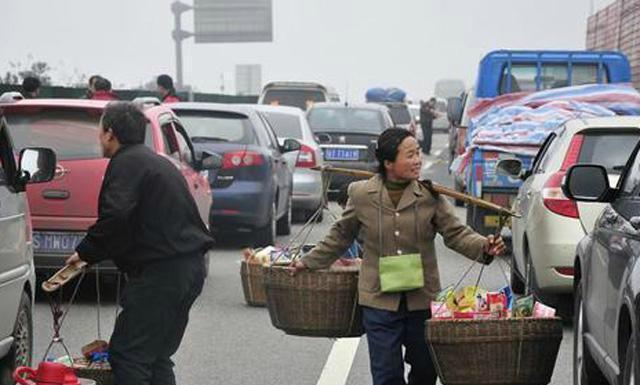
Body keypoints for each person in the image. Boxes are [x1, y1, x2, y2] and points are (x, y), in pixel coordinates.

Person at [291, 128, 505, 385]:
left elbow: (456, 233)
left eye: (418, 154)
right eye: (410, 155)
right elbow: (340, 236)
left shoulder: (429, 195)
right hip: (379, 300)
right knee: (386, 374)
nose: (417, 161)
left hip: (421, 300)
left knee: (426, 370)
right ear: (388, 163)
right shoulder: (360, 194)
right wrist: (308, 262)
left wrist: (484, 246)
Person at [65, 101, 214, 385]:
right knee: (156, 356)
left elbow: (116, 216)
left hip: (161, 275)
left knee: (128, 356)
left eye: (100, 131)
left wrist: (85, 252)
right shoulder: (157, 162)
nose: (99, 137)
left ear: (109, 133)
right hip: (188, 270)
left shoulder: (126, 163)